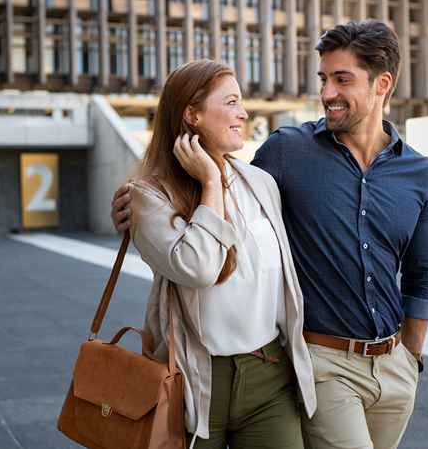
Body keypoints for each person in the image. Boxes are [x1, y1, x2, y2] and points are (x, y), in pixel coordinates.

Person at [113, 20, 428, 449]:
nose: (326, 94)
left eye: (342, 80)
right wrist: (137, 205)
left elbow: (421, 268)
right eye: (324, 79)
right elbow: (197, 232)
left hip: (381, 365)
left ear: (382, 83)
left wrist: (411, 355)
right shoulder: (286, 152)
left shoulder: (417, 172)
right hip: (316, 363)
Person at [124, 59, 316, 449]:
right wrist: (211, 181)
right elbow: (197, 268)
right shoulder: (148, 196)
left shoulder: (261, 183)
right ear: (191, 114)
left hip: (268, 372)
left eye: (241, 102)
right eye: (230, 102)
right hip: (195, 379)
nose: (243, 113)